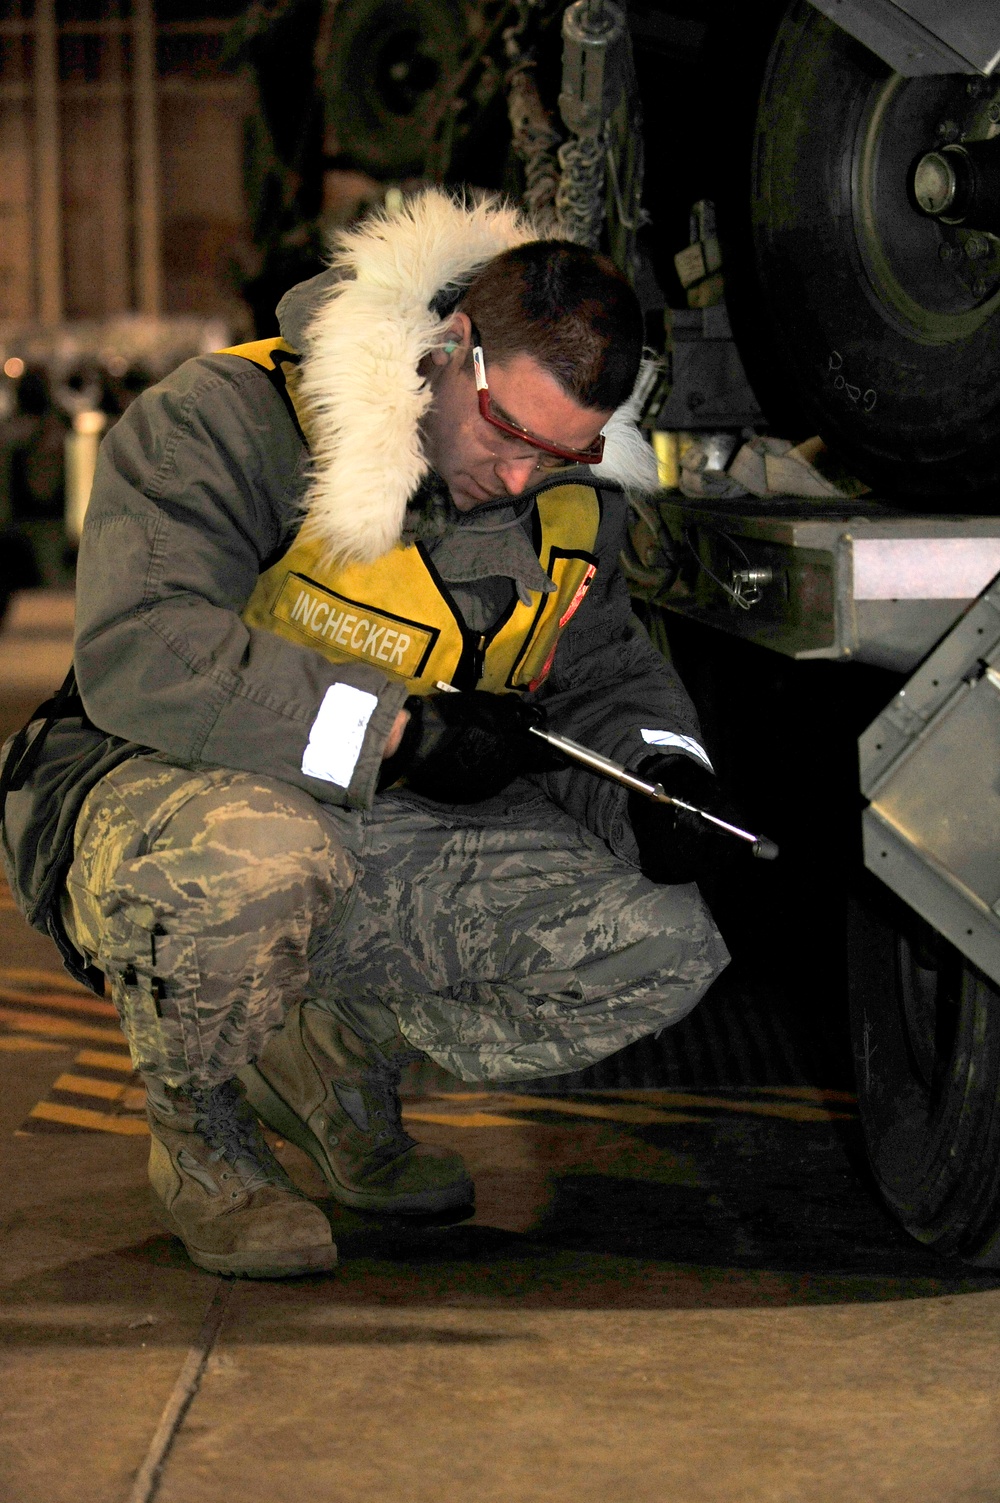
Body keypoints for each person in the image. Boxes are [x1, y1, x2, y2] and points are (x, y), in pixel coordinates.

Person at [0, 190, 733, 1279]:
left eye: (565, 455)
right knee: (254, 861)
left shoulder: (561, 499)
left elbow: (608, 675)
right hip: (157, 798)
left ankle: (323, 1059)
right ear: (452, 350)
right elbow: (145, 649)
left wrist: (656, 772)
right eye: (511, 434)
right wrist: (392, 733)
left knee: (662, 941)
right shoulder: (228, 417)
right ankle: (204, 1143)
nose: (524, 477)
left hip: (374, 824)